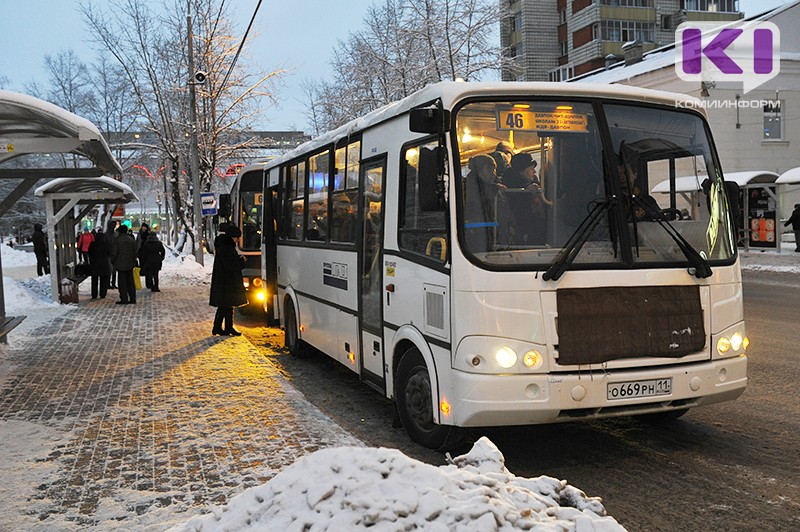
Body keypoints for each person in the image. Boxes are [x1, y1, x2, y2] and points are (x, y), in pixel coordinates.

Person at [463, 154, 508, 252]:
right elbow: (477, 203)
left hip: (493, 233)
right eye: (489, 169)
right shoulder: (469, 186)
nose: (494, 174)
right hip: (477, 234)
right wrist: (494, 188)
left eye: (494, 170)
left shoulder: (495, 186)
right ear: (479, 171)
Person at [209, 225, 247, 336]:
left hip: (224, 282)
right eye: (237, 237)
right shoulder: (227, 248)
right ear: (232, 237)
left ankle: (220, 328)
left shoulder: (224, 246)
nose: (238, 240)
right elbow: (231, 265)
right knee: (226, 306)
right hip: (227, 283)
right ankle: (226, 328)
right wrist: (242, 262)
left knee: (225, 306)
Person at [111, 224, 138, 305]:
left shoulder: (118, 240)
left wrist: (113, 261)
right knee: (130, 282)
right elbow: (135, 252)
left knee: (122, 283)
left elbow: (114, 253)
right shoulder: (131, 240)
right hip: (130, 264)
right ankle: (132, 298)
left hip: (120, 265)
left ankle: (124, 298)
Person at [87, 227, 111, 299]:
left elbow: (89, 253)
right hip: (104, 265)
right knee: (103, 280)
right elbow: (108, 253)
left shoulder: (92, 244)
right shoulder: (105, 244)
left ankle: (94, 294)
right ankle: (102, 294)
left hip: (94, 265)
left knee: (94, 280)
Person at [105, 220, 118, 288]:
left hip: (114, 254)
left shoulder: (115, 234)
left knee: (114, 270)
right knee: (110, 270)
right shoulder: (107, 235)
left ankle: (113, 283)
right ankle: (108, 283)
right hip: (109, 254)